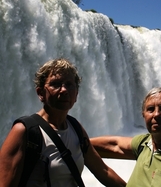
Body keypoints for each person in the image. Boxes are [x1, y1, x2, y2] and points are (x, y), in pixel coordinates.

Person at [0, 58, 126, 187]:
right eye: (56, 84)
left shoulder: (75, 128)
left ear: (76, 94)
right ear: (40, 93)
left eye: (69, 84)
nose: (64, 90)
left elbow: (103, 172)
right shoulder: (24, 131)